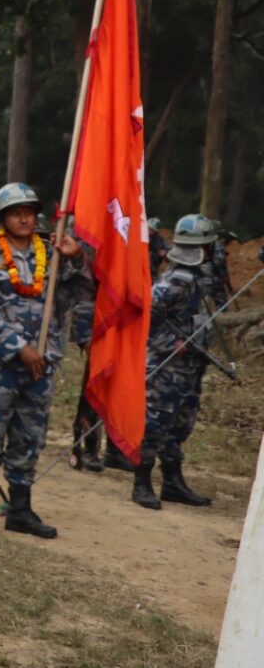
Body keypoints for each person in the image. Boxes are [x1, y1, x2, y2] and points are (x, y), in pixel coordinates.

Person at [0, 183, 89, 539]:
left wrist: (76, 257)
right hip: (1, 366)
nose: (24, 217)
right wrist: (21, 347)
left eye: (30, 211)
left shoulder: (51, 255)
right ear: (3, 218)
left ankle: (20, 509)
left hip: (42, 365)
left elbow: (80, 292)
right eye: (16, 212)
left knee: (30, 437)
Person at [132, 213, 220, 511]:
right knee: (156, 421)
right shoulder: (175, 281)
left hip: (190, 367)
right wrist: (172, 343)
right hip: (166, 366)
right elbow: (146, 317)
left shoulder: (198, 278)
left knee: (181, 423)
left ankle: (172, 481)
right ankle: (141, 482)